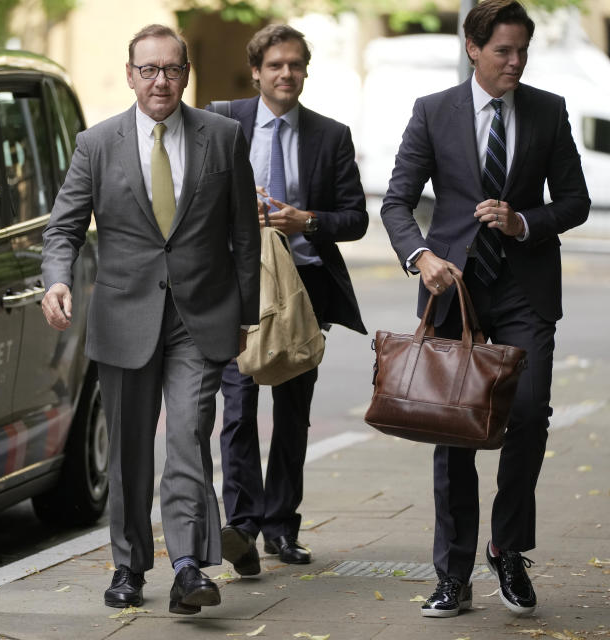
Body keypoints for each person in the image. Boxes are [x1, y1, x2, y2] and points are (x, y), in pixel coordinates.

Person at [40, 24, 260, 615]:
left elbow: (244, 233)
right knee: (130, 450)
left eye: (171, 70)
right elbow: (62, 228)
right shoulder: (97, 144)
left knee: (188, 433)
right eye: (149, 70)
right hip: (124, 315)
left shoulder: (224, 137)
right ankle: (129, 566)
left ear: (185, 74)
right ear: (130, 74)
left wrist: (245, 312)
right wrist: (57, 279)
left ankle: (188, 567)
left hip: (201, 315)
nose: (160, 81)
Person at [381, 0, 590, 619]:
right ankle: (453, 574)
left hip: (525, 290)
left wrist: (524, 220)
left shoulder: (548, 111)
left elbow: (575, 202)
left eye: (523, 50)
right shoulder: (432, 111)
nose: (515, 62)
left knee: (528, 417)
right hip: (455, 291)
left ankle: (506, 547)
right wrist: (422, 257)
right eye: (503, 50)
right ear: (473, 47)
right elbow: (396, 202)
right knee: (455, 433)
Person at [209, 24, 368, 577]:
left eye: (295, 65)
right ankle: (244, 527)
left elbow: (356, 219)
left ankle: (282, 526)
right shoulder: (221, 119)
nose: (286, 74)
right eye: (275, 65)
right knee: (238, 409)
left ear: (305, 71)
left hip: (301, 292)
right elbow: (194, 196)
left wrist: (308, 221)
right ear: (256, 71)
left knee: (294, 415)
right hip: (237, 290)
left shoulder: (331, 135)